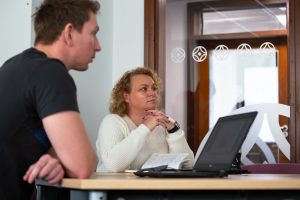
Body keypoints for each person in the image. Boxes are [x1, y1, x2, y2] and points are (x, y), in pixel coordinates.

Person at [0, 0, 101, 199]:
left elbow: (35, 138)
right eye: (93, 33)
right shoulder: (50, 72)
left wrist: (55, 158)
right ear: (69, 32)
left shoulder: (13, 66)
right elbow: (83, 166)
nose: (98, 46)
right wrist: (66, 158)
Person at [96, 67, 194, 172]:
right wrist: (145, 128)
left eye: (154, 88)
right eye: (144, 89)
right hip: (116, 188)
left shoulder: (161, 126)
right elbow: (113, 166)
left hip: (156, 188)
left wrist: (173, 130)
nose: (152, 93)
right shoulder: (112, 122)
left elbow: (188, 165)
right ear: (126, 96)